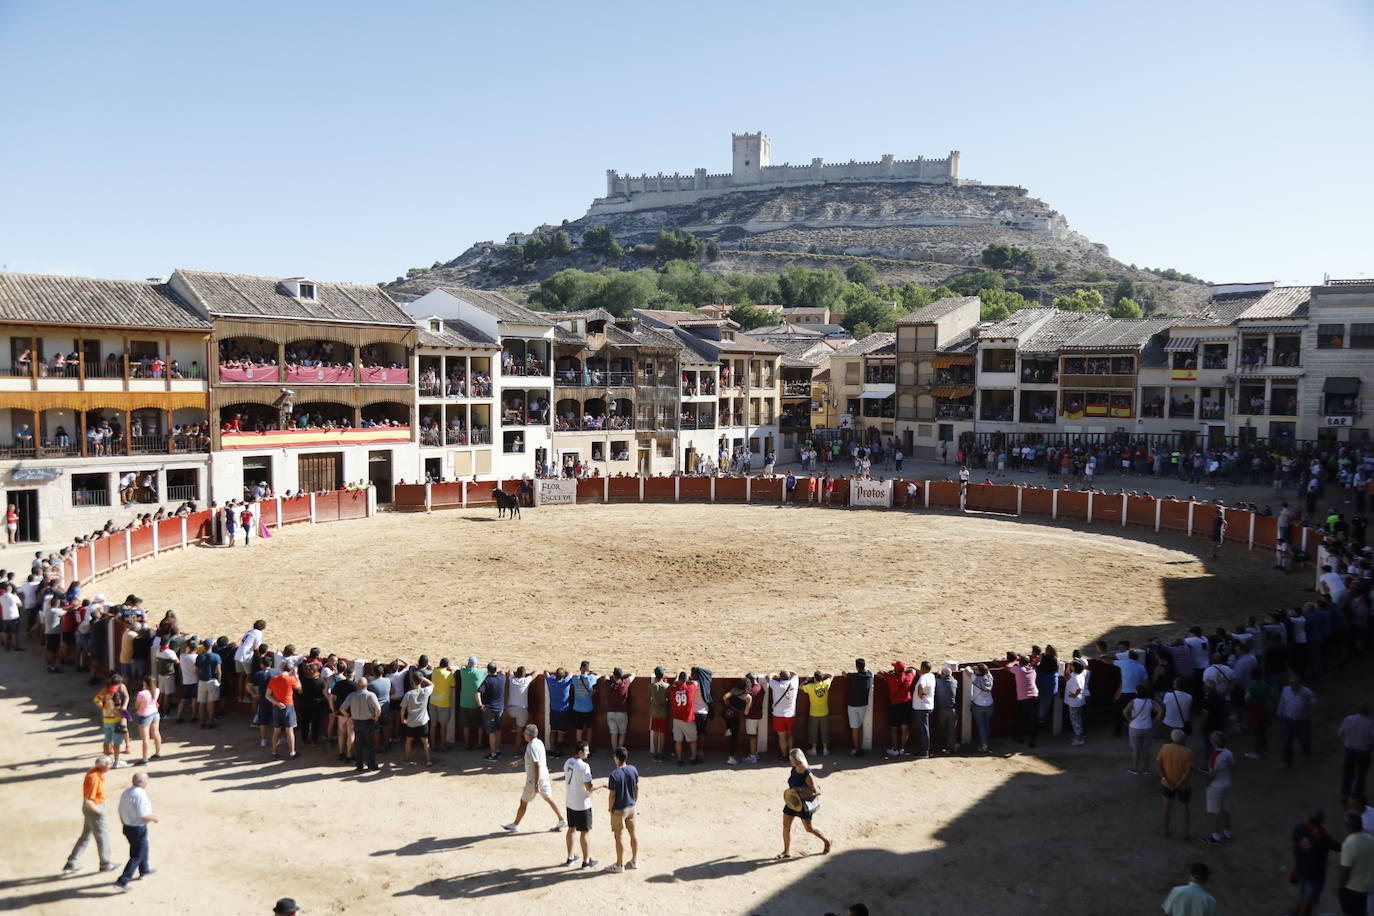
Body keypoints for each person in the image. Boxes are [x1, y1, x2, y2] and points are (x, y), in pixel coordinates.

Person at [503, 724, 566, 832]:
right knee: (548, 798)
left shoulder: (531, 746)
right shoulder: (539, 742)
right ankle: (562, 819)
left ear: (528, 734)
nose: (523, 734)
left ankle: (515, 824)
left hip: (534, 779)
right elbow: (530, 759)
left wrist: (536, 784)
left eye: (525, 733)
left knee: (523, 801)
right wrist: (517, 763)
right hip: (544, 775)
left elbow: (536, 764)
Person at [62, 755, 116, 875]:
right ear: (104, 766)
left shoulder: (94, 772)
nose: (111, 766)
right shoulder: (94, 778)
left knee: (85, 836)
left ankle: (71, 863)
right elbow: (89, 802)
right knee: (103, 837)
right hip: (94, 810)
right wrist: (100, 812)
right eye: (109, 764)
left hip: (93, 809)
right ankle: (105, 864)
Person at [778, 748, 831, 859]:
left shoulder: (807, 772)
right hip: (792, 801)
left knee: (809, 829)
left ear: (798, 759)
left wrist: (799, 789)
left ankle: (827, 840)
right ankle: (786, 851)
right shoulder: (794, 769)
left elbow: (815, 790)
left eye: (792, 759)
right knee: (785, 826)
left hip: (803, 804)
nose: (790, 761)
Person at [113, 771, 157, 892]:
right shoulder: (140, 795)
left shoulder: (127, 792)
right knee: (137, 854)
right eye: (147, 780)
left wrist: (124, 823)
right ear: (141, 782)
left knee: (142, 847)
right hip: (137, 827)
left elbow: (120, 810)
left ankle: (144, 869)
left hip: (127, 827)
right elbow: (144, 816)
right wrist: (154, 818)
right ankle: (122, 881)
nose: (148, 782)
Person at [1292, 809, 1341, 916]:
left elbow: (1296, 841)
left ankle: (1294, 914)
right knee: (1308, 900)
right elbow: (1339, 847)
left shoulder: (1300, 828)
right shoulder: (1323, 839)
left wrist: (1304, 849)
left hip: (1300, 868)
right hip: (1315, 874)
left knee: (1302, 893)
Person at [561, 741, 598, 868]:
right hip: (582, 804)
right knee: (585, 832)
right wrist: (602, 786)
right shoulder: (584, 766)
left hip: (570, 801)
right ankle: (586, 861)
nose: (588, 752)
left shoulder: (568, 762)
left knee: (571, 829)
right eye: (586, 750)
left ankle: (570, 858)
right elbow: (589, 787)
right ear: (580, 752)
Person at [604, 745, 639, 872]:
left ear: (617, 759)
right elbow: (636, 788)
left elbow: (612, 795)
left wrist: (610, 808)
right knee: (633, 834)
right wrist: (634, 801)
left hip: (619, 809)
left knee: (618, 837)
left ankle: (619, 865)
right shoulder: (633, 769)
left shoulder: (614, 775)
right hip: (631, 807)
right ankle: (634, 860)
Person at [1157, 729, 1194, 840]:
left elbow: (1158, 765)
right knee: (1185, 807)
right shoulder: (1188, 752)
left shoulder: (1165, 748)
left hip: (1167, 783)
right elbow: (1189, 771)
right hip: (1183, 785)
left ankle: (1166, 829)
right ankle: (1186, 832)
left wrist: (1165, 779)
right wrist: (1179, 783)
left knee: (1167, 806)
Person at [1201, 731, 1235, 846]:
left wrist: (1206, 781)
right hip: (1226, 783)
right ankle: (1227, 833)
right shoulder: (1228, 753)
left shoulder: (1214, 756)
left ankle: (1216, 836)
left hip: (1216, 786)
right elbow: (1232, 765)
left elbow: (1212, 774)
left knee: (1215, 811)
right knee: (1225, 809)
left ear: (1215, 743)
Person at [341, 675, 381, 772]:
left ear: (358, 685)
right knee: (369, 745)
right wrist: (376, 717)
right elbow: (378, 709)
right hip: (368, 722)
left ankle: (359, 765)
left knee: (358, 745)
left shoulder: (352, 695)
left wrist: (348, 716)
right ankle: (371, 765)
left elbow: (342, 708)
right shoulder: (370, 695)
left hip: (357, 722)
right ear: (367, 685)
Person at [1339, 810, 1374, 915]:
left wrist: (1341, 887)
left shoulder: (1349, 843)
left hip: (1352, 889)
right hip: (1366, 888)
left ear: (1349, 826)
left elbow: (1344, 870)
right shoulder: (1370, 839)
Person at [1279, 675, 1318, 769]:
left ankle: (1306, 756)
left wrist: (1309, 700)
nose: (1292, 685)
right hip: (1288, 719)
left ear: (1299, 684)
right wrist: (1279, 713)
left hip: (1302, 721)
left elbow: (1316, 705)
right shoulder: (1286, 690)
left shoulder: (1307, 692)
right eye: (1290, 683)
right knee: (1287, 742)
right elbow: (1282, 702)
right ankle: (1286, 762)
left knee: (1305, 740)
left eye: (1294, 683)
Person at [879, 662, 915, 756]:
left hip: (895, 706)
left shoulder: (890, 678)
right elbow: (913, 670)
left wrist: (890, 672)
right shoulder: (908, 677)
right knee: (905, 728)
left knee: (894, 728)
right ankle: (902, 749)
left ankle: (895, 748)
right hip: (906, 705)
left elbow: (879, 673)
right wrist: (905, 670)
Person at [1339, 704, 1374, 800]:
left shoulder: (1348, 719)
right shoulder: (1370, 723)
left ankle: (1345, 793)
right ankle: (1357, 794)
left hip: (1349, 750)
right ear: (1368, 712)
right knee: (1361, 774)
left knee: (1348, 772)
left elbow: (1340, 732)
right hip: (1364, 751)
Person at [267, 662, 301, 760]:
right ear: (291, 671)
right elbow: (299, 688)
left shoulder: (274, 679)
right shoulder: (291, 679)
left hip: (276, 707)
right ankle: (292, 753)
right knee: (289, 730)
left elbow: (268, 695)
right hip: (288, 706)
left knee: (276, 730)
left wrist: (277, 703)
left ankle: (274, 752)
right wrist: (296, 676)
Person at [400, 669, 434, 766]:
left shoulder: (408, 694)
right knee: (425, 742)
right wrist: (423, 679)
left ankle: (407, 759)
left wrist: (402, 719)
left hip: (411, 722)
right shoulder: (425, 691)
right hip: (423, 721)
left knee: (408, 741)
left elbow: (402, 709)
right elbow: (432, 685)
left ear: (412, 681)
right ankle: (428, 761)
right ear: (421, 681)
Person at [1124, 683, 1160, 776]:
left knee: (1136, 749)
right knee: (1146, 749)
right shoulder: (1150, 702)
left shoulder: (1133, 701)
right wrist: (1154, 721)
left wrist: (1130, 720)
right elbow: (1160, 711)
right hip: (1147, 727)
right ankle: (1146, 769)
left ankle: (1135, 768)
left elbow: (1125, 712)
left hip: (1134, 728)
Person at [668, 671, 699, 766]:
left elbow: (673, 685)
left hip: (677, 719)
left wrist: (676, 679)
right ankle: (693, 759)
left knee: (678, 741)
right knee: (693, 740)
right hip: (688, 719)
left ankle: (679, 760)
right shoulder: (690, 688)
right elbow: (694, 683)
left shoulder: (673, 689)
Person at [1009, 654, 1039, 749]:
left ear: (1020, 662)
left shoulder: (1018, 670)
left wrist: (1015, 661)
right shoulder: (1033, 670)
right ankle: (1032, 740)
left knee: (1021, 719)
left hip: (1023, 699)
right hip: (1034, 697)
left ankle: (1020, 737)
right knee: (1033, 720)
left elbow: (1007, 667)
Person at [843, 659, 872, 757]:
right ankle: (860, 748)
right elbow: (869, 671)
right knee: (859, 727)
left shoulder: (854, 676)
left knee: (855, 729)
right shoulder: (868, 675)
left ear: (857, 667)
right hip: (863, 705)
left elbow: (845, 674)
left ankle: (857, 749)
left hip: (853, 706)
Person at [477, 662, 506, 760]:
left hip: (490, 709)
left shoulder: (487, 680)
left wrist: (480, 705)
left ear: (488, 671)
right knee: (498, 729)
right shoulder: (502, 678)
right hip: (500, 709)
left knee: (492, 732)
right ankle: (497, 750)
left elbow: (477, 693)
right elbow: (503, 673)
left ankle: (493, 754)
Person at [802, 671, 834, 757]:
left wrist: (807, 680)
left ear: (814, 678)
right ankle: (825, 749)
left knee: (813, 731)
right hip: (824, 712)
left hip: (813, 712)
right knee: (825, 731)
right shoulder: (826, 684)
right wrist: (824, 675)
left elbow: (800, 687)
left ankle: (814, 749)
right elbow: (831, 674)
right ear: (821, 678)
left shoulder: (810, 687)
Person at [769, 669, 800, 758]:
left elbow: (769, 676)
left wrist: (775, 675)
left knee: (782, 737)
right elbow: (795, 673)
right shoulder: (794, 683)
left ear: (780, 678)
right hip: (790, 714)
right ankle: (791, 755)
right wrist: (788, 672)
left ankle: (784, 754)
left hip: (779, 715)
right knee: (789, 735)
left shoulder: (777, 686)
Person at [458, 655, 485, 752]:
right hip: (476, 704)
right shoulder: (480, 672)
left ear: (468, 664)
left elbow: (462, 666)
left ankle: (466, 744)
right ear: (476, 664)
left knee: (466, 725)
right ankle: (480, 743)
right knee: (480, 725)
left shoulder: (463, 671)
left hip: (464, 703)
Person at [909, 661, 936, 759]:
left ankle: (925, 751)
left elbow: (921, 686)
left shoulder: (923, 678)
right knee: (928, 729)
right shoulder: (931, 676)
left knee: (924, 729)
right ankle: (930, 749)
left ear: (922, 668)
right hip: (929, 706)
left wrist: (920, 695)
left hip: (921, 707)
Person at [428, 657, 456, 752]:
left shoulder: (435, 671)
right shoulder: (449, 675)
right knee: (443, 726)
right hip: (443, 703)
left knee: (433, 725)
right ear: (447, 665)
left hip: (433, 701)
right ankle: (443, 746)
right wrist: (451, 672)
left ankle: (433, 745)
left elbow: (434, 668)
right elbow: (453, 685)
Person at [133, 676, 162, 764]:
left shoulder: (142, 694)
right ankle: (157, 753)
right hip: (155, 713)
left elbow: (137, 705)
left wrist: (137, 710)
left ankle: (144, 758)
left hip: (145, 715)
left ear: (145, 683)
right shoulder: (157, 690)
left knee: (145, 737)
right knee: (156, 733)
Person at [570, 660, 599, 749]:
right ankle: (587, 748)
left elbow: (570, 675)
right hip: (588, 708)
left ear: (580, 668)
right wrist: (592, 672)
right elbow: (599, 675)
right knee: (589, 729)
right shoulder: (591, 678)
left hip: (577, 708)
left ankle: (579, 749)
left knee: (579, 730)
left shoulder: (575, 678)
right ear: (588, 669)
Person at [605, 668, 635, 752]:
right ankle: (619, 752)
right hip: (622, 712)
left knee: (613, 733)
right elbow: (633, 674)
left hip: (610, 712)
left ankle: (615, 752)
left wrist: (612, 676)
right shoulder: (625, 683)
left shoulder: (609, 684)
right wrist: (624, 676)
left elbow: (606, 676)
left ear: (614, 675)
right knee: (622, 733)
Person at [195, 641, 221, 730]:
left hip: (202, 681)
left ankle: (202, 722)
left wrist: (199, 680)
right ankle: (211, 722)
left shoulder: (199, 656)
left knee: (202, 703)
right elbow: (219, 671)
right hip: (212, 681)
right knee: (211, 704)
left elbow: (196, 671)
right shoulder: (216, 656)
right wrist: (219, 681)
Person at [1063, 659, 1088, 747]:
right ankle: (1079, 735)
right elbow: (1067, 676)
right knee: (1077, 719)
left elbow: (1079, 688)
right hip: (1077, 702)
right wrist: (1069, 666)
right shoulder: (1077, 674)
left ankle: (1079, 739)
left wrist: (1074, 695)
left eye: (1072, 666)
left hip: (1075, 702)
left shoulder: (1076, 677)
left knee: (1075, 720)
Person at [647, 667, 670, 762]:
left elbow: (649, 697)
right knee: (662, 734)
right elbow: (668, 698)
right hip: (664, 712)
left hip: (655, 712)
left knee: (656, 733)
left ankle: (656, 753)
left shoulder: (651, 686)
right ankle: (661, 753)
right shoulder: (667, 686)